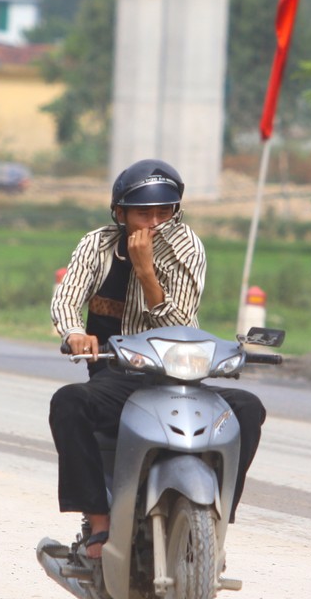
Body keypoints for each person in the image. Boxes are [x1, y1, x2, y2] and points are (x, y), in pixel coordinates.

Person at [49, 158, 266, 560]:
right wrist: (74, 333)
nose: (153, 222)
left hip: (179, 378)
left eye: (163, 211)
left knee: (248, 409)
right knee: (69, 403)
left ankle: (215, 522)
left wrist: (147, 272)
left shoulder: (187, 246)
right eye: (142, 213)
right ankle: (99, 524)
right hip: (118, 377)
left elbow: (181, 323)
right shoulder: (96, 245)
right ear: (120, 213)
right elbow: (67, 298)